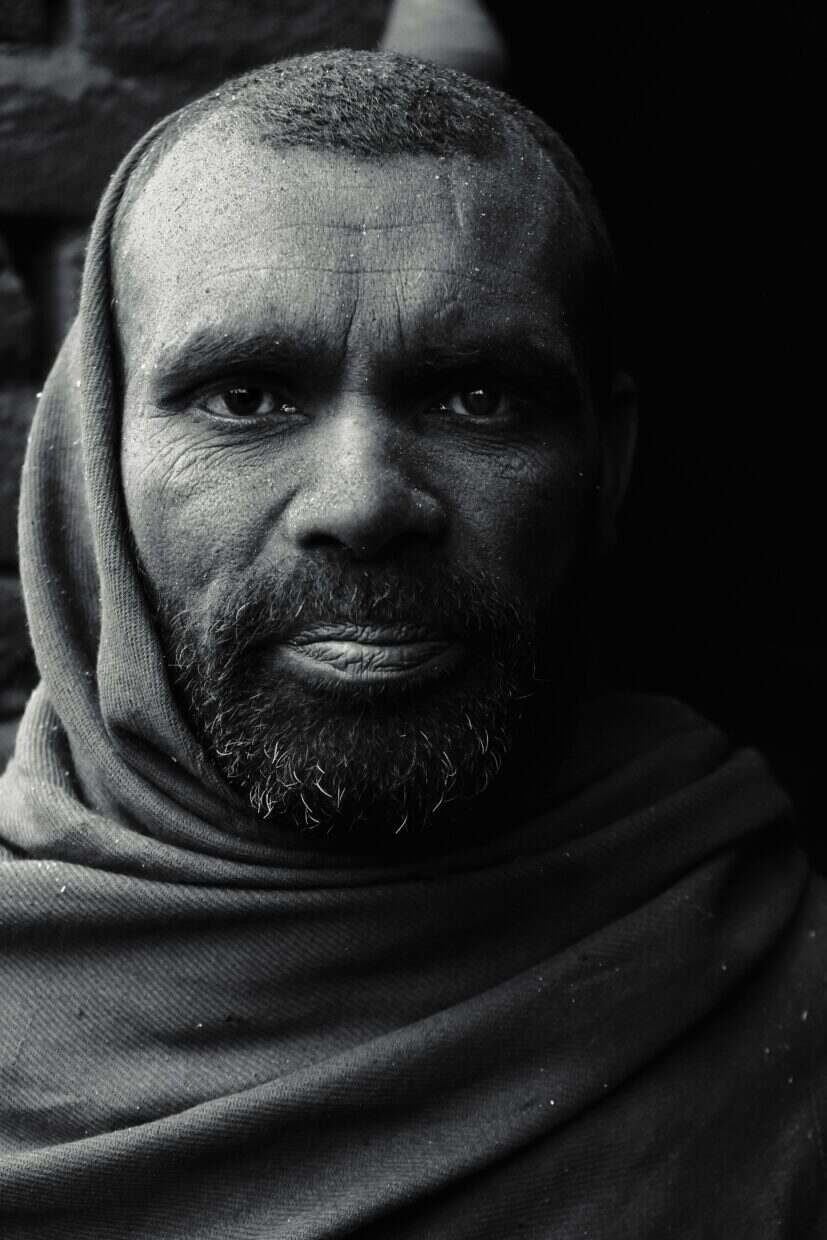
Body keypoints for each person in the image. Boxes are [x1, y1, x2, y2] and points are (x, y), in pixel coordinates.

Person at [0, 50, 824, 1238]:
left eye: (475, 397)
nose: (364, 500)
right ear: (92, 461)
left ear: (610, 461)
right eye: (246, 396)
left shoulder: (771, 979)